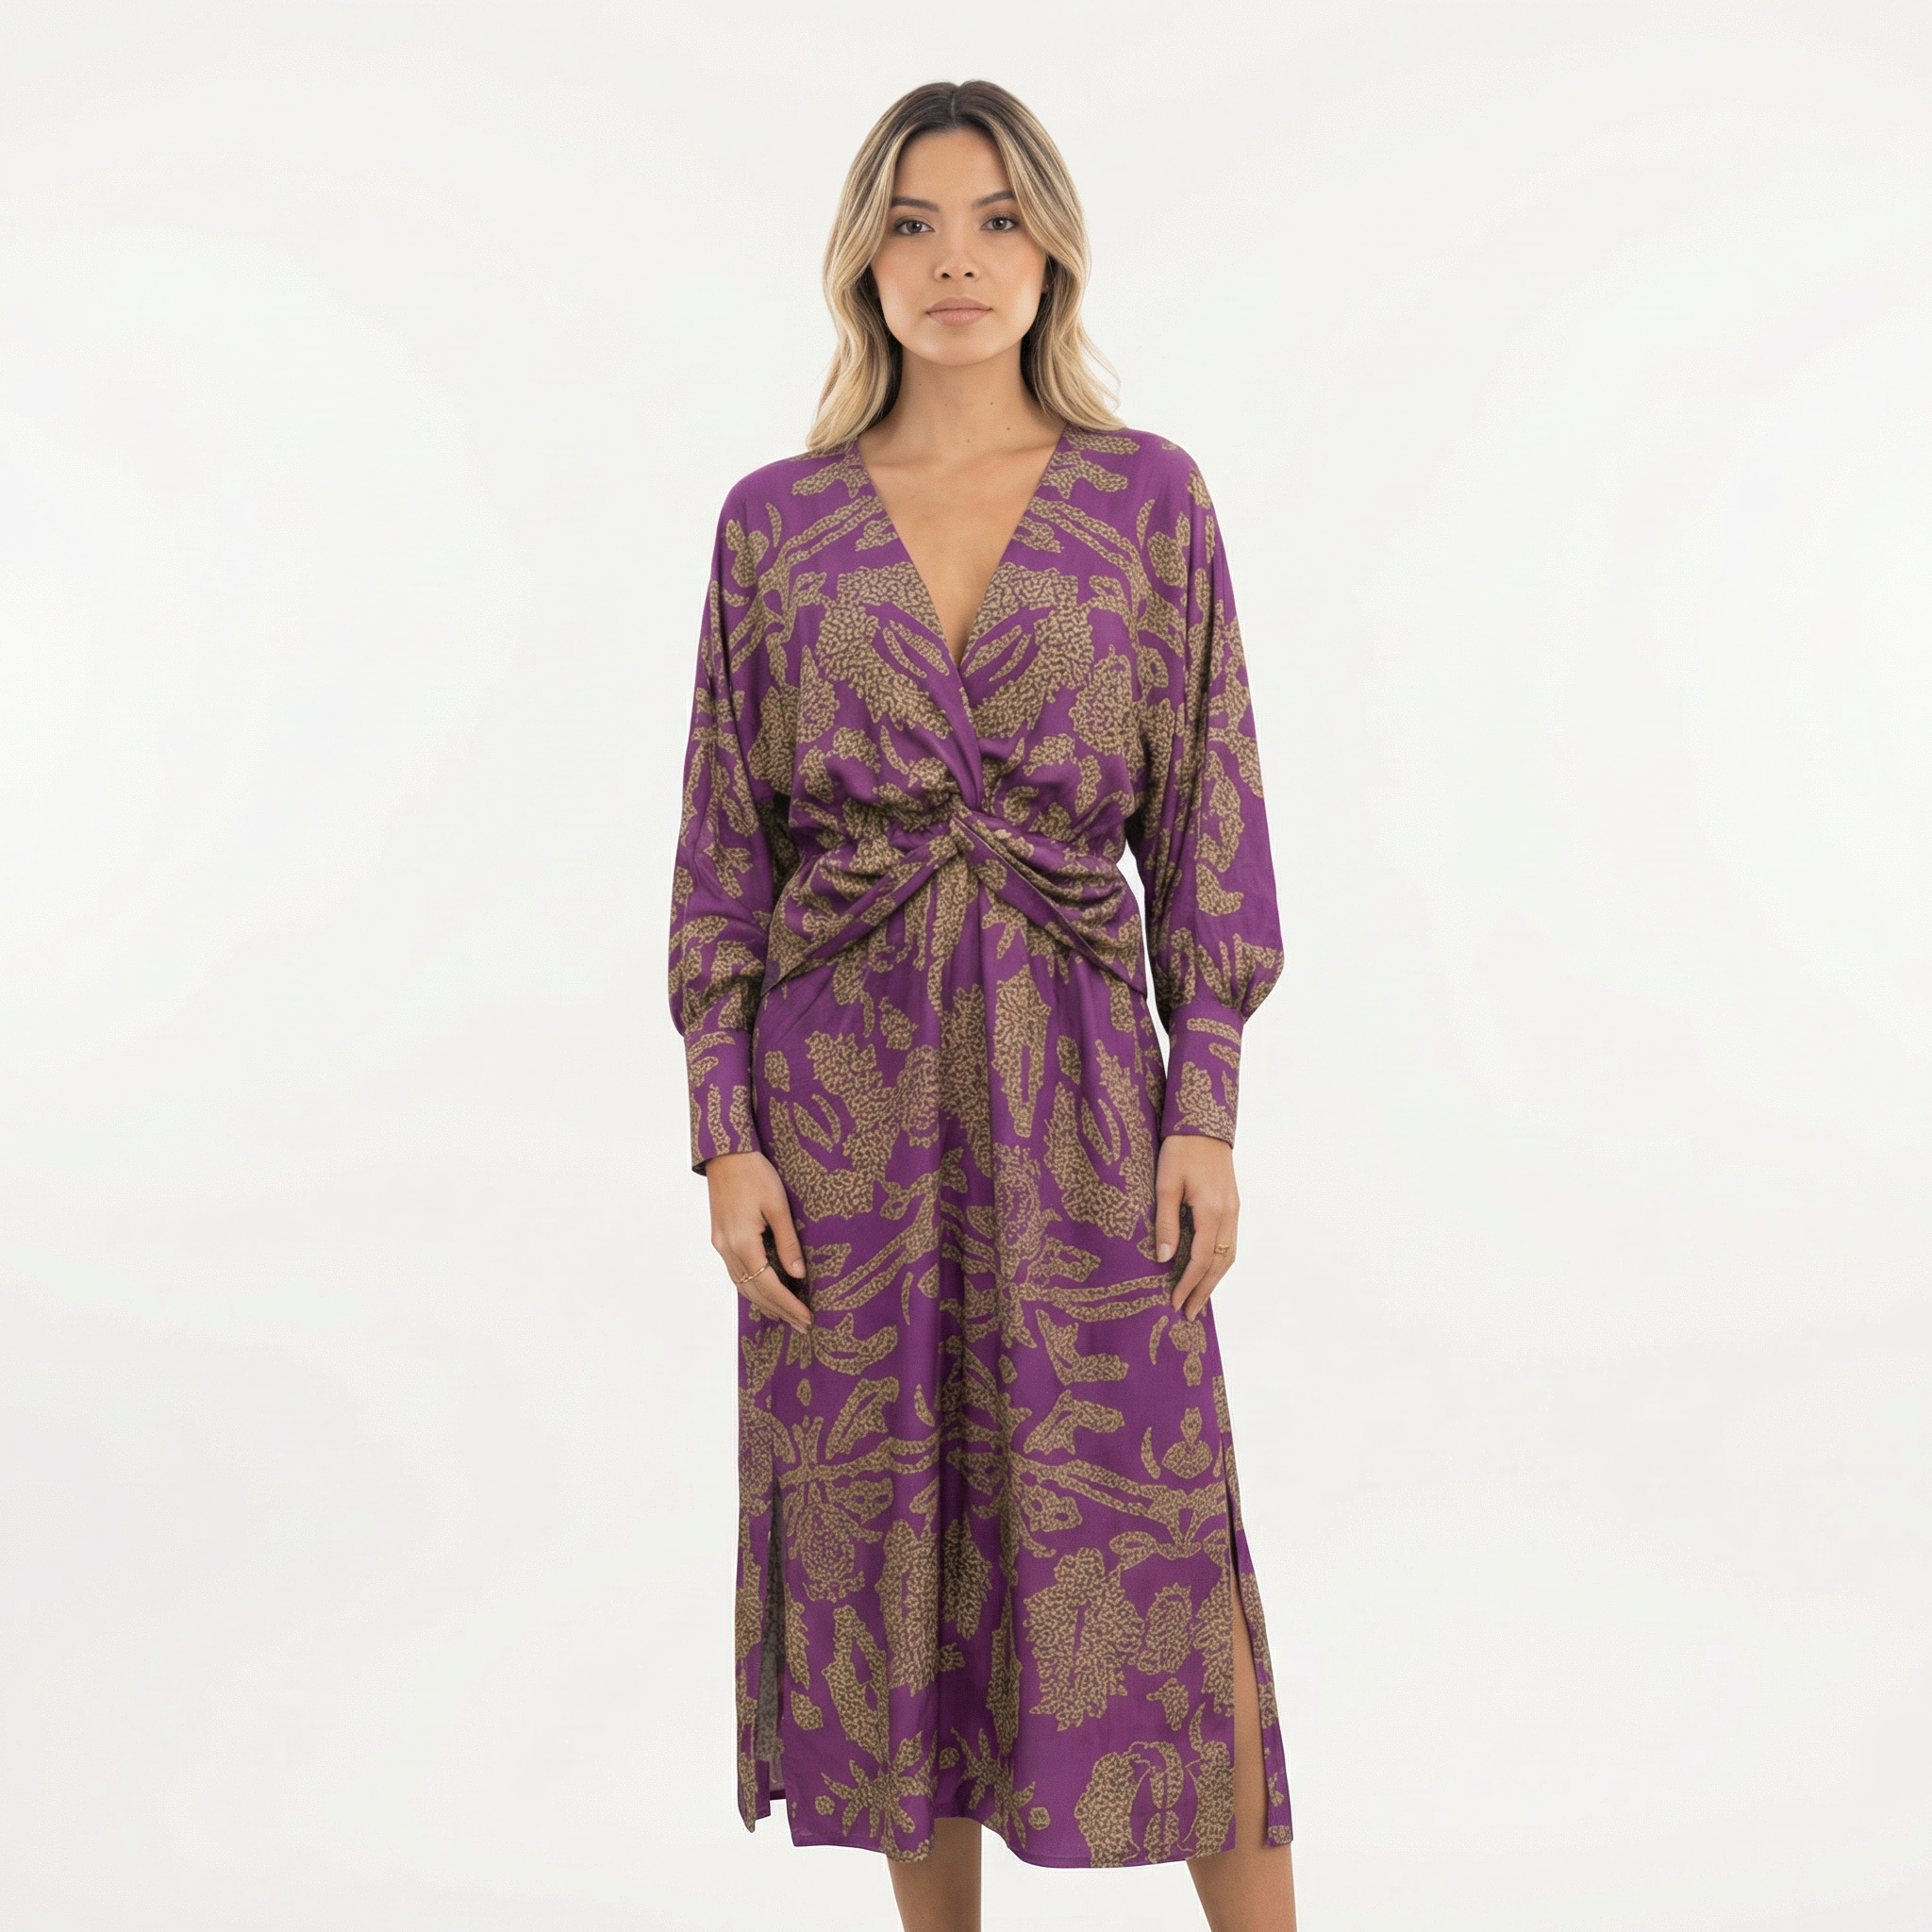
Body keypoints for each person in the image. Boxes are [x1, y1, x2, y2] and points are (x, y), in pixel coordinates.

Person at [669, 78, 1296, 1932]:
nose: (958, 259)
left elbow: (1212, 813)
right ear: (862, 260)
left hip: (1086, 1096)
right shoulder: (774, 526)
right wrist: (726, 1134)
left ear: (1052, 253)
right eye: (916, 221)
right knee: (892, 1562)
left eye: (998, 218)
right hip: (841, 1112)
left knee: (1159, 1549)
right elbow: (724, 850)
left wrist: (1206, 1103)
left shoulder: (1146, 500)